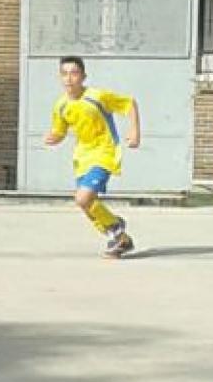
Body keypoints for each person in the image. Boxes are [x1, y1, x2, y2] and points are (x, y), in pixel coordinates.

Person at [42, 56, 142, 258]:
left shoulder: (96, 97)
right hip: (82, 158)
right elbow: (60, 131)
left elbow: (129, 103)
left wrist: (135, 131)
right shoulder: (60, 105)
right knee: (87, 205)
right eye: (64, 74)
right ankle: (120, 238)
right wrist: (54, 137)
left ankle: (115, 226)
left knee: (82, 198)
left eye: (74, 73)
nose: (69, 78)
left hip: (104, 152)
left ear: (83, 76)